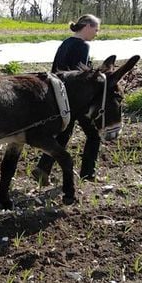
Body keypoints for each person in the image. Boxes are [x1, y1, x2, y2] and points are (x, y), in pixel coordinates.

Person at [32, 14, 102, 186]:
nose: (97, 33)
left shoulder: (66, 43)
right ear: (87, 27)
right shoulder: (83, 46)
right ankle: (88, 173)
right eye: (96, 29)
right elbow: (82, 76)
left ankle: (43, 169)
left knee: (63, 134)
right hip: (76, 99)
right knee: (94, 135)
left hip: (59, 96)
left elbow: (55, 70)